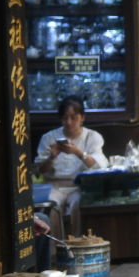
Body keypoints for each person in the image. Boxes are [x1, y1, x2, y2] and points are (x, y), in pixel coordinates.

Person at [34, 96, 109, 263]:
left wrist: (78, 152)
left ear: (82, 117)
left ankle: (77, 249)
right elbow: (40, 169)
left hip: (79, 185)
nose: (68, 122)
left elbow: (99, 164)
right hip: (54, 185)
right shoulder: (49, 137)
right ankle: (55, 253)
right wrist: (52, 156)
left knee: (79, 203)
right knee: (52, 206)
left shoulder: (92, 137)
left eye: (73, 117)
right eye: (64, 117)